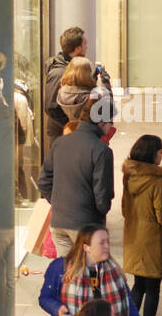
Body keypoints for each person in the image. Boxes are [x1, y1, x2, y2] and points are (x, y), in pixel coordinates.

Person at [37, 98, 114, 257]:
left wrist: (58, 202)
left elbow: (43, 181)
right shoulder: (101, 150)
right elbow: (102, 195)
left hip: (59, 222)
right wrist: (99, 212)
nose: (111, 126)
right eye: (110, 121)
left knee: (67, 274)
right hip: (86, 224)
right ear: (101, 122)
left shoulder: (60, 143)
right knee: (87, 276)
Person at [121, 135, 162, 316]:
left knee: (138, 285)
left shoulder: (129, 176)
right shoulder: (156, 181)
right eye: (160, 152)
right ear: (152, 154)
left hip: (133, 238)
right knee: (152, 288)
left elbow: (125, 210)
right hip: (151, 241)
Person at [43, 27, 90, 153]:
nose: (87, 47)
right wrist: (72, 124)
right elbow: (51, 107)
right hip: (61, 133)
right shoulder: (59, 73)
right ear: (77, 49)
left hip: (68, 131)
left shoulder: (71, 67)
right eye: (85, 43)